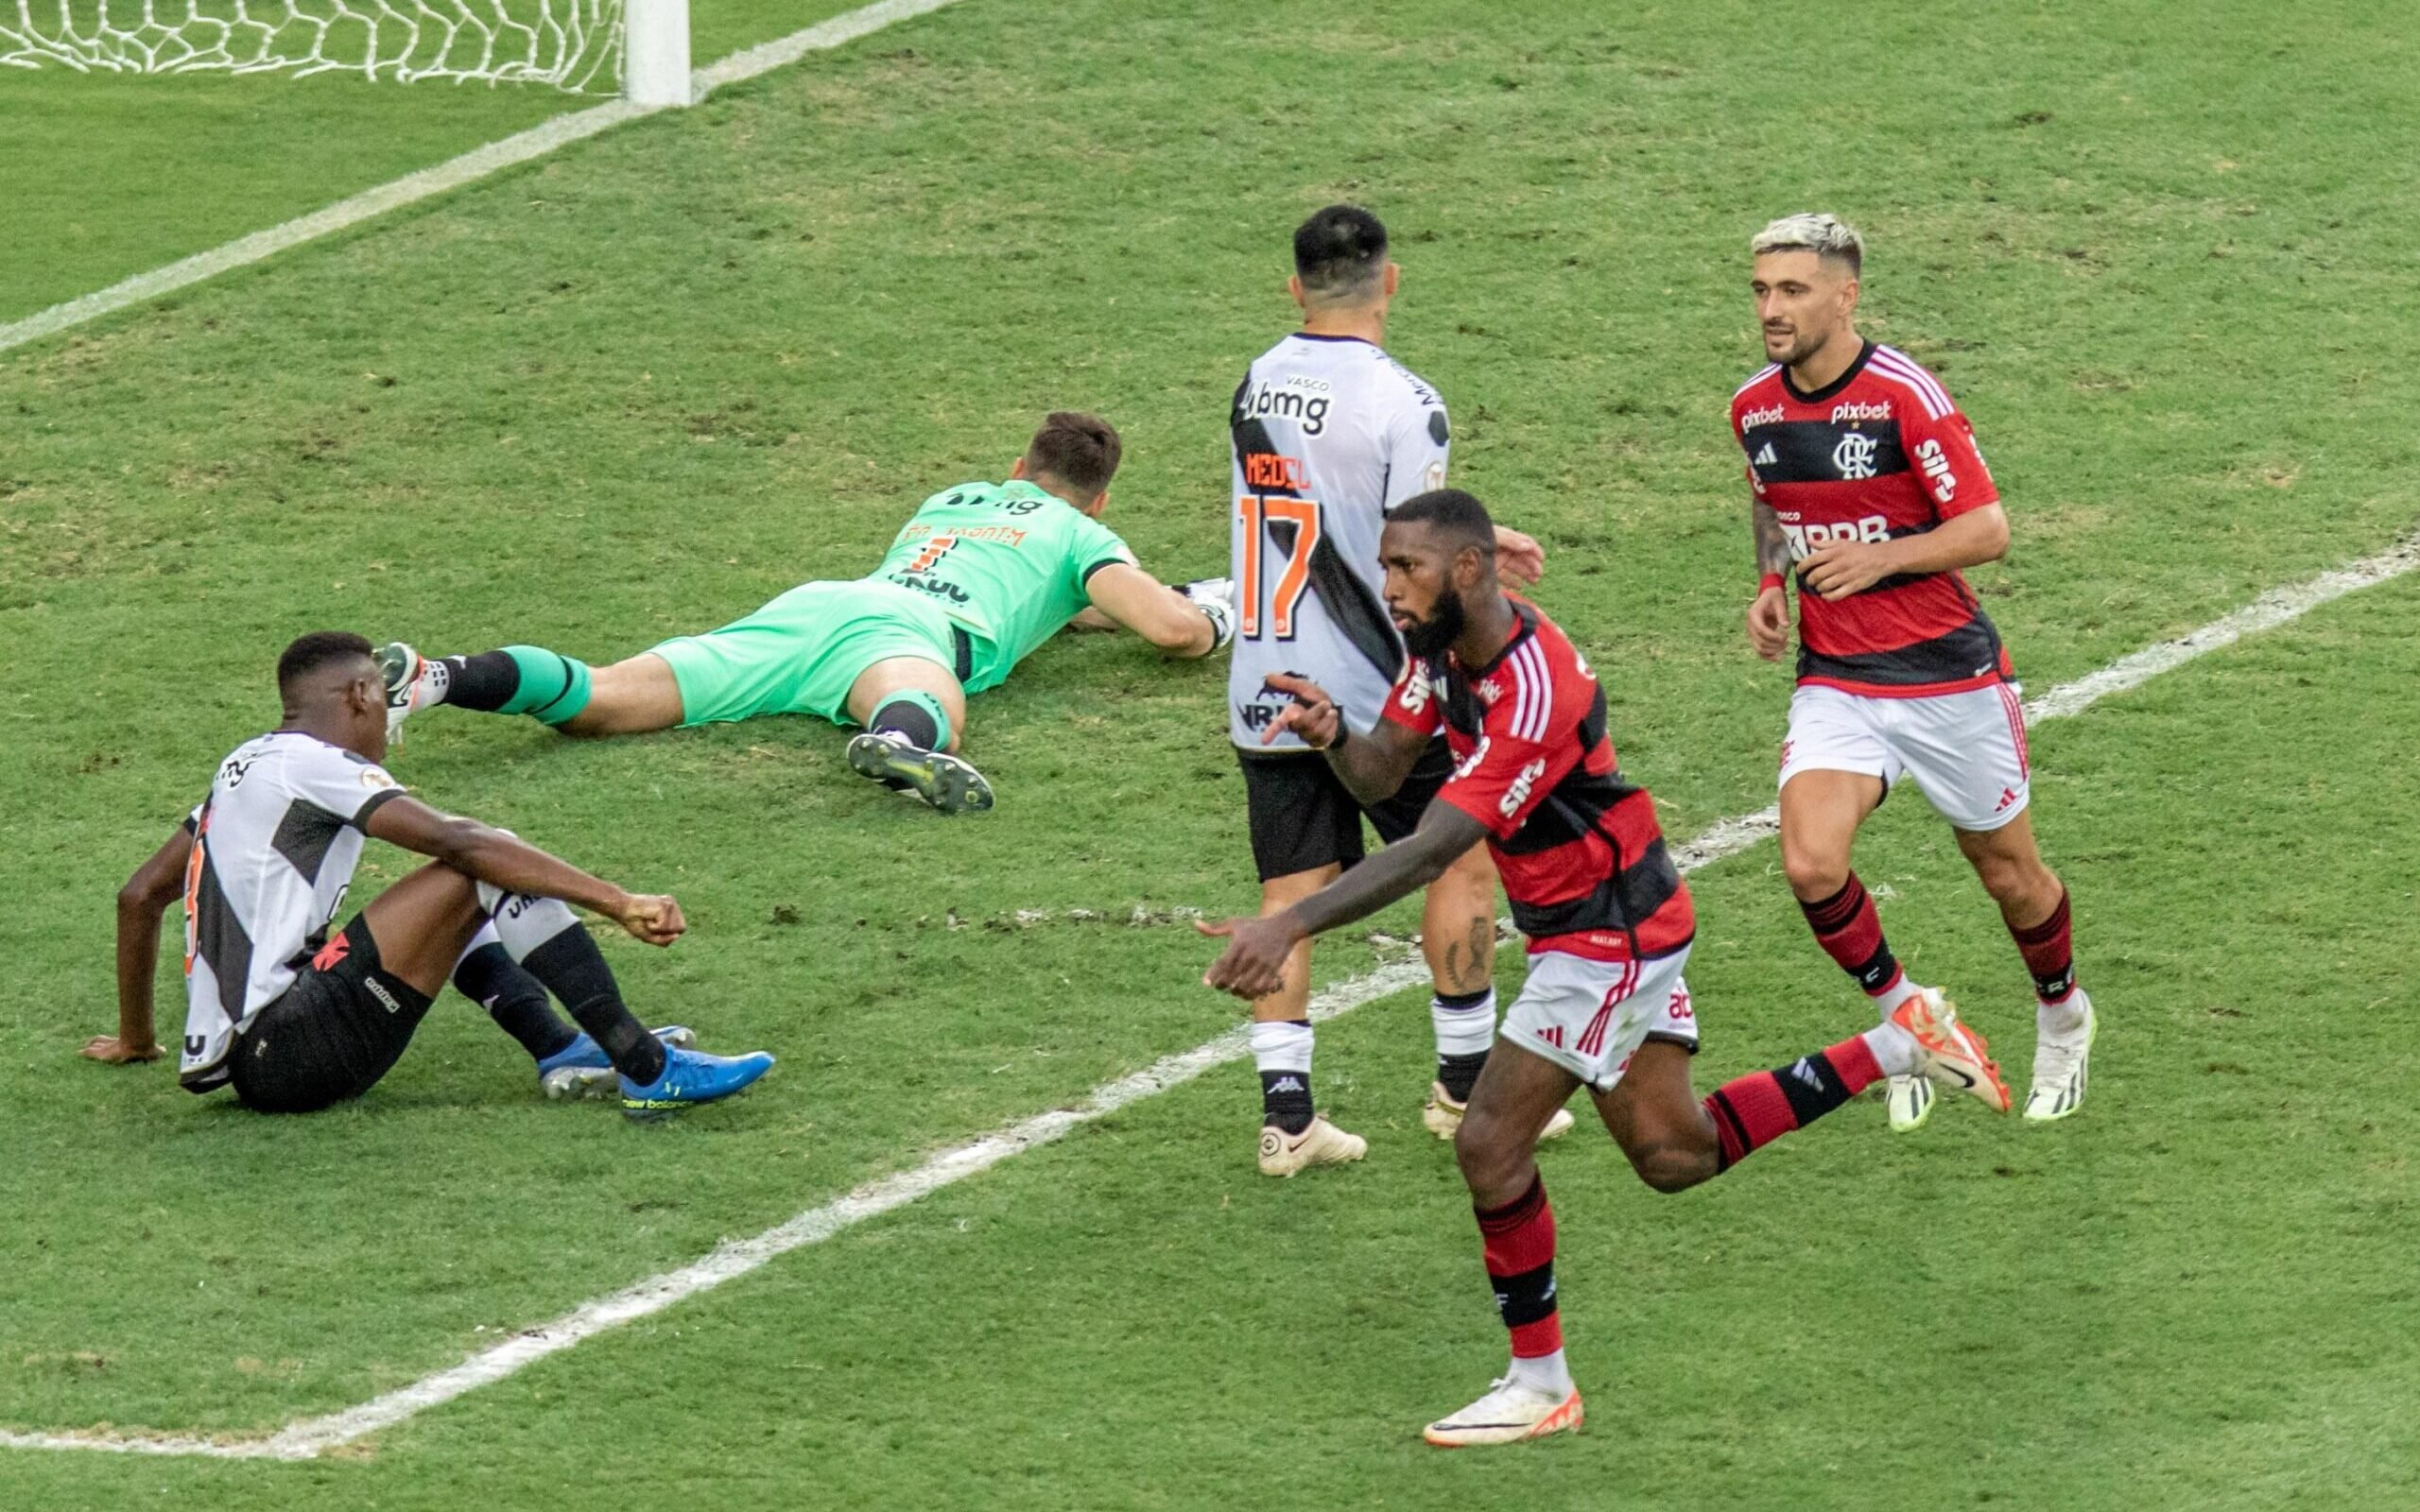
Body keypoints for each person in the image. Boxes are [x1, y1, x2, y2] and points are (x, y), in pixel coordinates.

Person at [1201, 490, 2009, 1445]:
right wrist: (1336, 733)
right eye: (1385, 568)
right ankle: (1895, 1045)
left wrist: (1287, 925)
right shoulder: (1437, 649)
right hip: (1599, 922)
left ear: (1466, 570)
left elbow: (1431, 847)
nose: (1389, 588)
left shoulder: (1535, 690)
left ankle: (1540, 1383)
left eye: (1405, 569)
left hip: (1607, 936)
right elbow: (1383, 773)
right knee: (1676, 1154)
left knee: (1488, 1142)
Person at [380, 413, 1233, 815]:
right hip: (903, 641)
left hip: (819, 609)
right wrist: (1213, 615)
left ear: (1017, 464)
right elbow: (1169, 630)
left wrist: (1104, 601)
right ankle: (900, 744)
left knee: (604, 700)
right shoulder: (1077, 537)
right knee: (936, 704)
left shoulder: (956, 496)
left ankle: (434, 678)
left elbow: (1047, 602)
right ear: (1100, 499)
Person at [92, 632, 773, 1119]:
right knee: (481, 859)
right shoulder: (312, 764)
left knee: (453, 887)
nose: (392, 726)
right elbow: (463, 842)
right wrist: (615, 900)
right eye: (387, 706)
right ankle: (647, 1068)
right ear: (360, 694)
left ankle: (560, 1048)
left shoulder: (244, 767)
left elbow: (139, 895)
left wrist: (136, 1040)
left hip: (261, 1055)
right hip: (293, 1048)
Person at [1732, 213, 2093, 1127]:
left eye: (1792, 290)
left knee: (2009, 874)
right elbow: (1770, 498)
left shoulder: (1903, 396)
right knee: (1810, 862)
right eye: (1761, 291)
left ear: (1845, 295)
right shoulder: (1753, 406)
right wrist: (1771, 580)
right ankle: (1911, 1018)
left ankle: (2062, 1014)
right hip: (1837, 680)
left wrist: (1883, 558)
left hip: (1946, 679)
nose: (1771, 310)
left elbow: (1988, 530)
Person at [1225, 204, 1556, 1177]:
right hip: (1373, 688)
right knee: (1457, 863)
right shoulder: (1405, 400)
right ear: (1391, 281)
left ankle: (1286, 1118)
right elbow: (1405, 545)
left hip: (1263, 676)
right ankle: (1462, 1088)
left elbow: (1317, 506)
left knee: (1291, 890)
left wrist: (1482, 537)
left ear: (1294, 288)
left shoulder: (1255, 381)